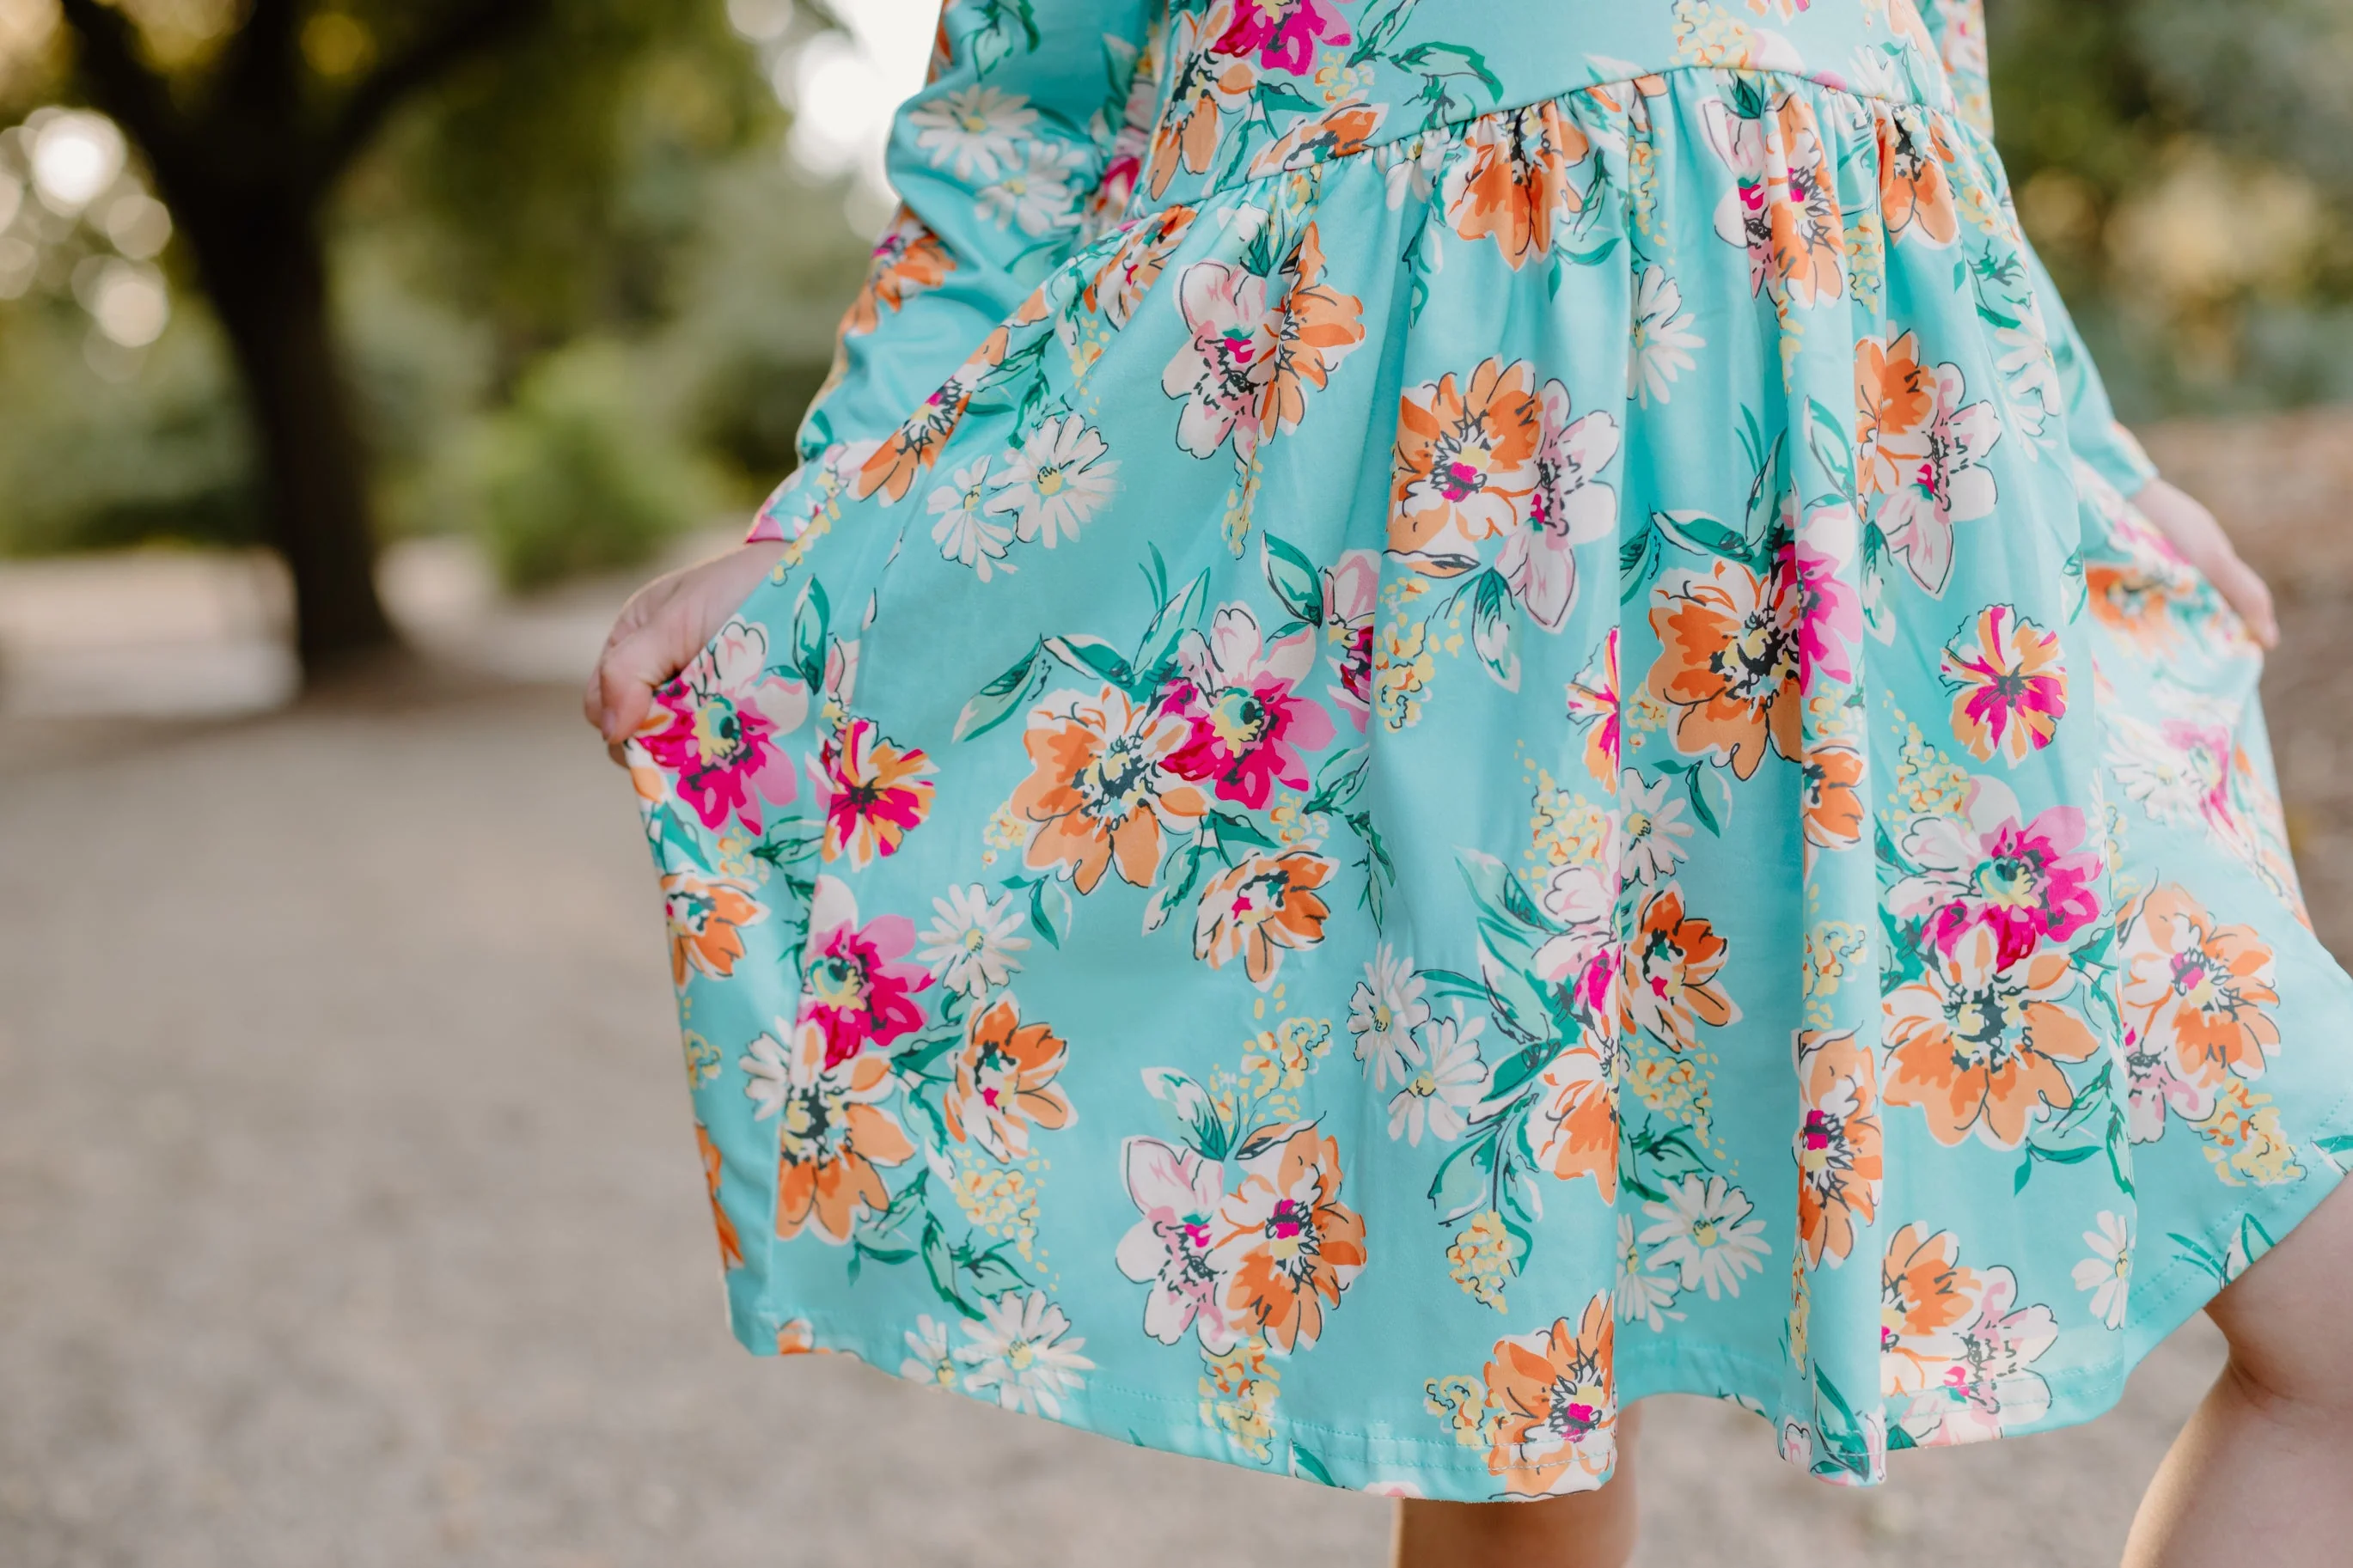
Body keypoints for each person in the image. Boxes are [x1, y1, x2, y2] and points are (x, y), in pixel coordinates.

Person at [585, 3, 2353, 1562]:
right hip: (1453, 498)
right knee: (1523, 1416)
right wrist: (818, 523)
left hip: (1906, 515)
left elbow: (1930, 93)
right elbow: (1021, 114)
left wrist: (2099, 458)